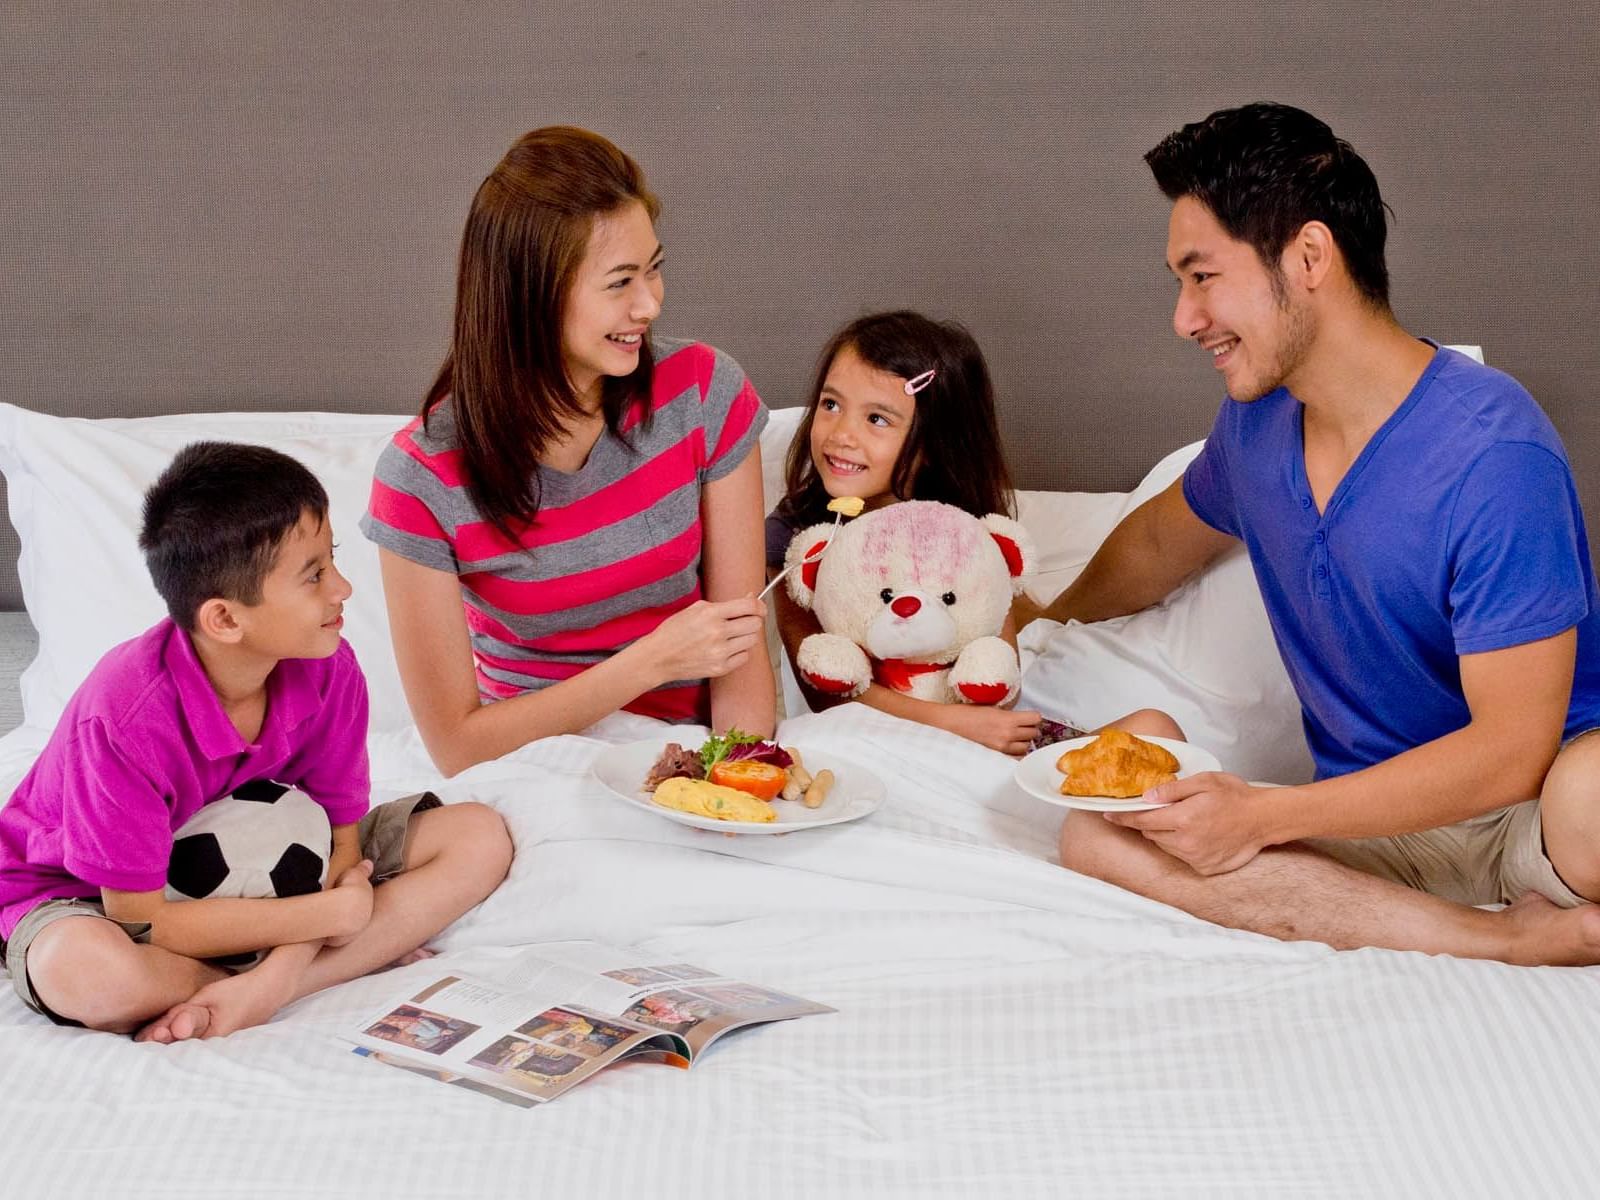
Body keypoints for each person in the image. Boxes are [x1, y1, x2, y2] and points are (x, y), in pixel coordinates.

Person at [1036, 102, 1600, 965]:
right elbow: (1154, 548)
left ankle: (1524, 913)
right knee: (1097, 836)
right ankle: (1498, 943)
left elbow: (1511, 752)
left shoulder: (1494, 452)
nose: (1185, 319)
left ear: (1307, 257)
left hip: (1538, 817)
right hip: (1370, 830)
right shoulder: (1256, 428)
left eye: (1202, 276)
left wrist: (1267, 815)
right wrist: (1035, 621)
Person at [0, 443, 513, 1039]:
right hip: (102, 898)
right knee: (87, 974)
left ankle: (261, 989)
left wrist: (279, 974)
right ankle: (326, 967)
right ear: (224, 619)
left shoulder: (330, 669)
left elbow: (340, 848)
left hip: (272, 872)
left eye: (333, 561)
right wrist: (326, 918)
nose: (343, 589)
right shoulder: (124, 718)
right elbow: (140, 920)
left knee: (477, 836)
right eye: (314, 575)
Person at [363, 126, 772, 777]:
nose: (650, 303)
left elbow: (740, 655)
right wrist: (648, 664)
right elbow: (457, 746)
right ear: (531, 294)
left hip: (694, 756)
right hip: (538, 764)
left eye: (655, 269)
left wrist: (743, 782)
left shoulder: (702, 392)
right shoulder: (420, 479)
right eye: (620, 282)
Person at [770, 310, 1180, 755]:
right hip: (875, 741)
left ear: (932, 443)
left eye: (877, 419)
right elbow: (825, 692)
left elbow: (1000, 674)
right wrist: (951, 723)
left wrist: (979, 719)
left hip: (979, 730)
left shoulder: (965, 533)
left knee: (1156, 730)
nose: (842, 434)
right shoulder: (799, 536)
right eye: (831, 405)